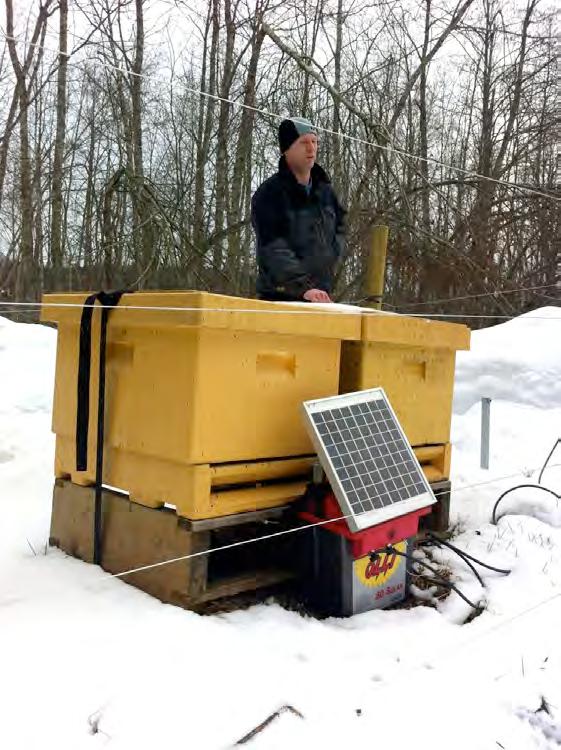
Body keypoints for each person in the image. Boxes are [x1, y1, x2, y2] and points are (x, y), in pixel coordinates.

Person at [251, 117, 345, 303]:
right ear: (287, 149)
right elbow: (272, 249)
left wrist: (323, 279)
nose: (311, 148)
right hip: (280, 301)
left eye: (314, 142)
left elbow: (340, 231)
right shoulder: (269, 194)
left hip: (321, 300)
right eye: (303, 143)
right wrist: (302, 288)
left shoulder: (327, 194)